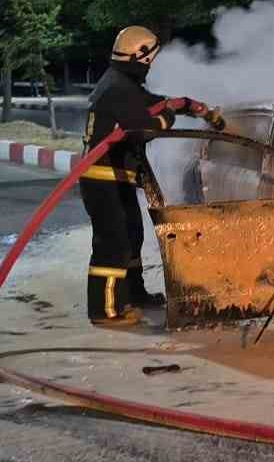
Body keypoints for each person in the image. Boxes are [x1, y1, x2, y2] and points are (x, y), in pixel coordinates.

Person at [80, 25, 224, 327]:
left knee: (132, 237)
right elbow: (144, 128)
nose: (151, 66)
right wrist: (168, 116)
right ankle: (105, 311)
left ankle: (134, 295)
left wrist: (186, 105)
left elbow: (148, 102)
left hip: (115, 176)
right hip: (103, 180)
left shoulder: (121, 82)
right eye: (151, 59)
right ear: (141, 56)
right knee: (114, 243)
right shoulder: (119, 88)